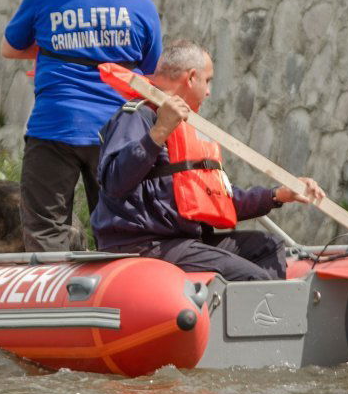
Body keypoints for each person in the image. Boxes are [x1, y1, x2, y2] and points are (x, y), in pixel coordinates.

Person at [92, 40, 325, 280]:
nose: (209, 91)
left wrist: (277, 195)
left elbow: (218, 199)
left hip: (183, 241)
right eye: (208, 80)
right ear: (191, 77)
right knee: (253, 279)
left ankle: (248, 313)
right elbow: (113, 182)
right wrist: (159, 132)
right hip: (146, 245)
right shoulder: (138, 115)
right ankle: (254, 312)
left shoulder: (190, 129)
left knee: (268, 245)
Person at [2, 0, 163, 251]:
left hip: (54, 126)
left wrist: (59, 45)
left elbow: (10, 48)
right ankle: (116, 298)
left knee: (46, 228)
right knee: (121, 228)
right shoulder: (141, 6)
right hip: (117, 133)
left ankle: (55, 299)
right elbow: (149, 69)